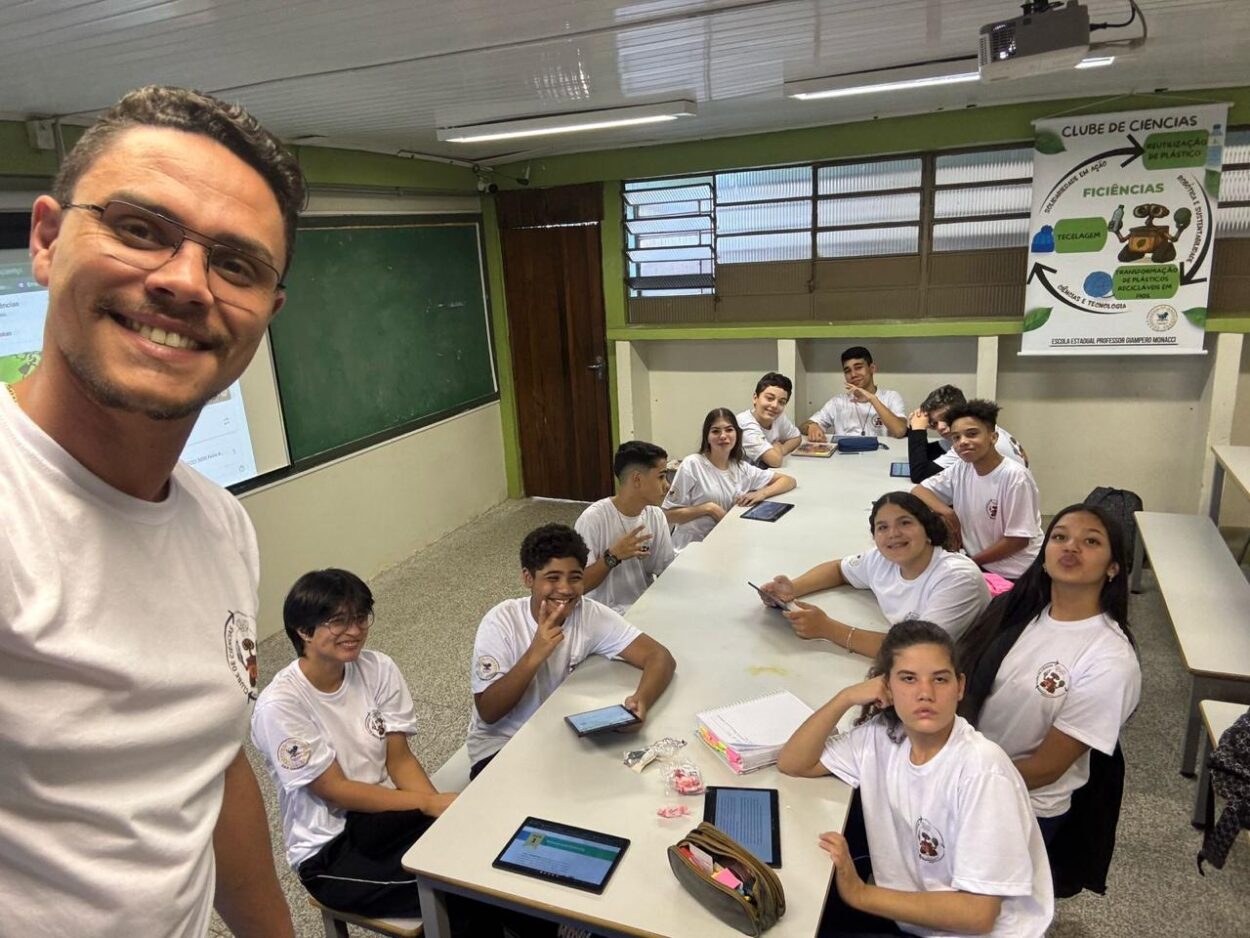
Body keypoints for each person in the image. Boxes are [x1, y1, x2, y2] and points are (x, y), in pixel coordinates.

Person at [0, 87, 303, 937]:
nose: (182, 282)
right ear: (48, 239)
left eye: (236, 265)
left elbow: (205, 768)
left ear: (266, 316)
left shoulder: (219, 525)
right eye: (140, 230)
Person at [779, 620, 1053, 938]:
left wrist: (860, 894)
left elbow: (979, 916)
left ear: (959, 687)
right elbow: (795, 762)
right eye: (908, 679)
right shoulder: (882, 736)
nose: (925, 693)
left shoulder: (982, 771)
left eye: (940, 679)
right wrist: (846, 697)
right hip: (922, 922)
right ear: (887, 688)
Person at [251, 569, 458, 918]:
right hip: (331, 849)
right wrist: (426, 804)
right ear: (303, 630)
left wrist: (439, 811)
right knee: (454, 884)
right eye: (338, 621)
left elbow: (400, 761)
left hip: (386, 813)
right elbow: (333, 789)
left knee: (472, 856)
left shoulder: (379, 668)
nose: (355, 630)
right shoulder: (281, 704)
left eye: (361, 617)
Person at [956, 505, 1141, 846]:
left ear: (1113, 567)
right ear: (1044, 557)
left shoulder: (1110, 659)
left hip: (1022, 804)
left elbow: (1046, 768)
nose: (1071, 547)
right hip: (970, 775)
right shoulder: (1017, 609)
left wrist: (955, 778)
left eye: (1091, 541)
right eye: (1060, 537)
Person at [467, 523, 677, 779]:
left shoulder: (588, 614)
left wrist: (641, 700)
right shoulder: (501, 622)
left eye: (575, 577)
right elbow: (489, 712)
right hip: (500, 745)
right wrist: (535, 654)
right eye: (552, 578)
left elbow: (660, 657)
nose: (565, 588)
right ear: (528, 578)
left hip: (558, 737)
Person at [760, 492, 989, 656]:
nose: (893, 534)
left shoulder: (957, 578)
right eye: (882, 527)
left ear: (928, 530)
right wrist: (793, 589)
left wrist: (827, 628)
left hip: (960, 672)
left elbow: (918, 649)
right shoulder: (882, 559)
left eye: (905, 523)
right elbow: (839, 570)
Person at [912, 400, 1043, 580]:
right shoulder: (963, 467)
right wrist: (947, 512)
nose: (963, 442)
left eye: (972, 434)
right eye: (956, 437)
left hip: (1014, 573)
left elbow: (1017, 540)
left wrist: (969, 563)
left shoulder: (1015, 477)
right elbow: (920, 490)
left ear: (993, 437)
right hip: (978, 563)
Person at [662, 407, 796, 549]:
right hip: (692, 547)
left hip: (728, 543)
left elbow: (788, 481)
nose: (723, 436)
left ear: (737, 434)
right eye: (715, 431)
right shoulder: (693, 464)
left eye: (729, 430)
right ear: (707, 436)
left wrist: (761, 493)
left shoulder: (741, 468)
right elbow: (667, 514)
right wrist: (708, 509)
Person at [576, 440, 676, 613]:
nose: (667, 486)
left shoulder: (656, 516)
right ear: (637, 479)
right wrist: (613, 556)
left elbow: (665, 573)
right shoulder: (592, 520)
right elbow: (578, 586)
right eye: (661, 476)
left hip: (643, 611)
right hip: (604, 616)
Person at [906, 385, 1028, 484]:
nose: (941, 427)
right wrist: (917, 426)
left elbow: (919, 475)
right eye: (934, 423)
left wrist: (918, 430)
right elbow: (928, 453)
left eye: (945, 418)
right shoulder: (979, 426)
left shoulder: (970, 442)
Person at [801, 346, 906, 441]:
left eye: (858, 367)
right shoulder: (837, 402)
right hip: (845, 459)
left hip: (882, 459)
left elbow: (900, 431)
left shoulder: (891, 397)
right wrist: (812, 426)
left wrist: (872, 399)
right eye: (847, 371)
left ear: (872, 368)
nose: (853, 374)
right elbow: (803, 426)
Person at [737, 371, 802, 467]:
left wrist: (781, 449)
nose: (775, 405)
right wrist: (775, 445)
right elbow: (775, 461)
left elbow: (796, 438)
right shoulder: (745, 424)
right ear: (755, 398)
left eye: (781, 402)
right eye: (769, 398)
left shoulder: (778, 417)